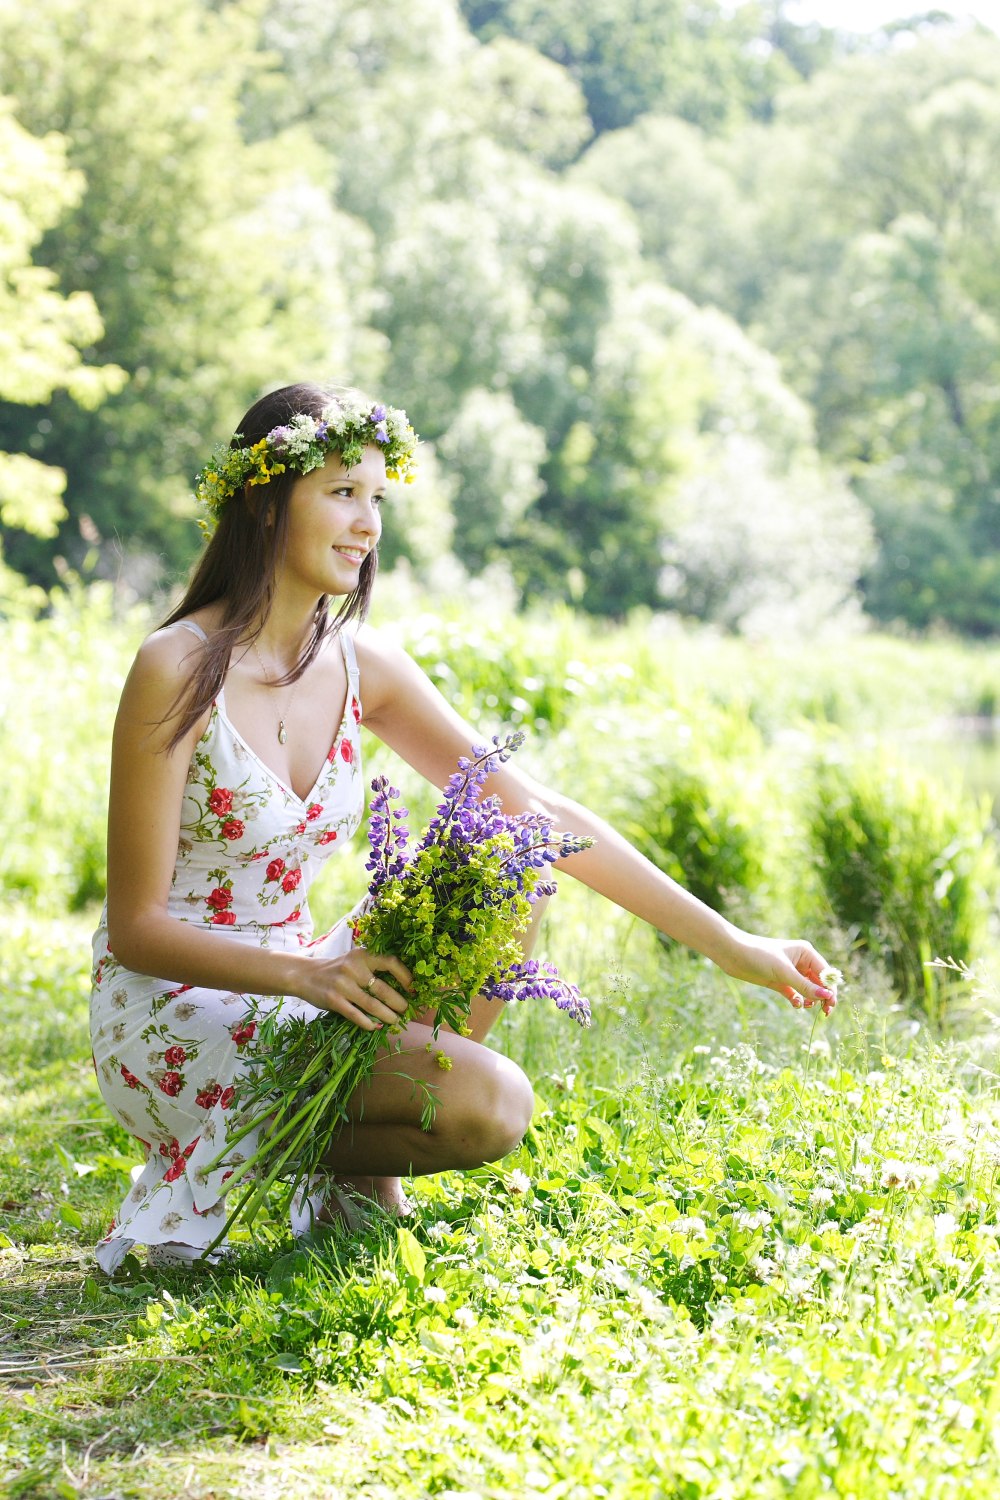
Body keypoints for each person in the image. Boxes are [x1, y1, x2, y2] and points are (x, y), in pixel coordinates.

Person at [89, 381, 837, 1272]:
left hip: (312, 974)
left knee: (520, 856)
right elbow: (138, 931)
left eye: (377, 498)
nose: (368, 524)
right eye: (341, 492)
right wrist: (305, 973)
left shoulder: (366, 666)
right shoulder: (175, 667)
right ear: (264, 500)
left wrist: (732, 945)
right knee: (491, 1103)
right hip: (176, 1005)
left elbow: (545, 813)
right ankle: (298, 1162)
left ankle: (353, 1157)